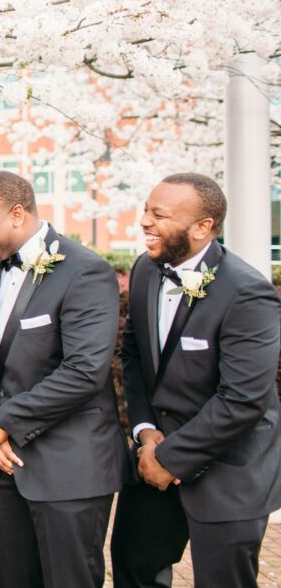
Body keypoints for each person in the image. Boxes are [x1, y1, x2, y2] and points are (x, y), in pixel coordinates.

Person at [111, 173, 281, 588]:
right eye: (146, 210)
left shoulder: (248, 293)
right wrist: (145, 429)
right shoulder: (146, 271)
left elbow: (242, 400)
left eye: (159, 214)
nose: (144, 222)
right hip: (152, 459)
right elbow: (134, 357)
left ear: (202, 227)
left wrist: (172, 459)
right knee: (134, 571)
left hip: (229, 468)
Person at [0, 171, 128, 587]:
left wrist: (4, 422)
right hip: (5, 469)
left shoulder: (85, 271)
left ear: (17, 213)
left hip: (69, 467)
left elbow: (83, 372)